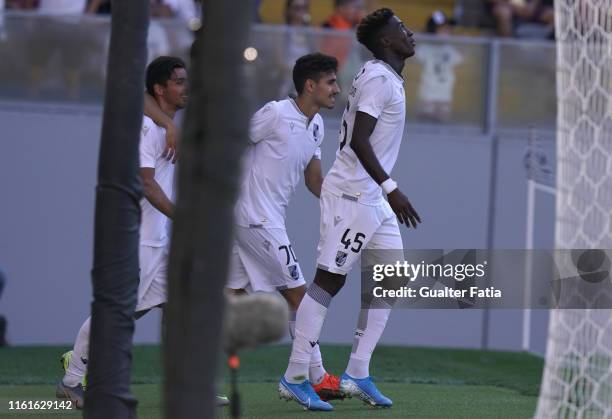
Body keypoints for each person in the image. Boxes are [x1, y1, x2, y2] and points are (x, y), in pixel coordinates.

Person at [280, 8, 421, 411]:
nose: (409, 33)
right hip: (353, 195)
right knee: (329, 282)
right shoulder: (378, 78)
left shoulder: (383, 75)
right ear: (385, 42)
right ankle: (293, 377)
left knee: (391, 278)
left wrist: (384, 193)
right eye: (401, 29)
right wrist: (392, 188)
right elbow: (360, 139)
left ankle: (357, 371)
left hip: (371, 198)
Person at [54, 56, 212, 408]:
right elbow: (146, 184)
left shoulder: (164, 125)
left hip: (160, 240)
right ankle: (71, 378)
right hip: (139, 241)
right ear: (160, 88)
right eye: (179, 82)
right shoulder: (146, 128)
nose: (186, 88)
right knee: (116, 312)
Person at [228, 53, 342, 406]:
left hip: (258, 220)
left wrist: (342, 208)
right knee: (301, 297)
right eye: (331, 82)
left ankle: (185, 371)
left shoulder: (317, 125)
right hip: (255, 219)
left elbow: (314, 179)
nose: (337, 89)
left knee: (230, 302)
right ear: (310, 85)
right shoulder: (275, 113)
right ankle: (312, 377)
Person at [416, 11, 463, 122]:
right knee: (425, 117)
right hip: (427, 94)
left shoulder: (450, 49)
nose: (448, 32)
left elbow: (461, 58)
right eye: (443, 29)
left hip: (445, 94)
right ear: (432, 30)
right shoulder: (424, 49)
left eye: (448, 29)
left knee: (442, 119)